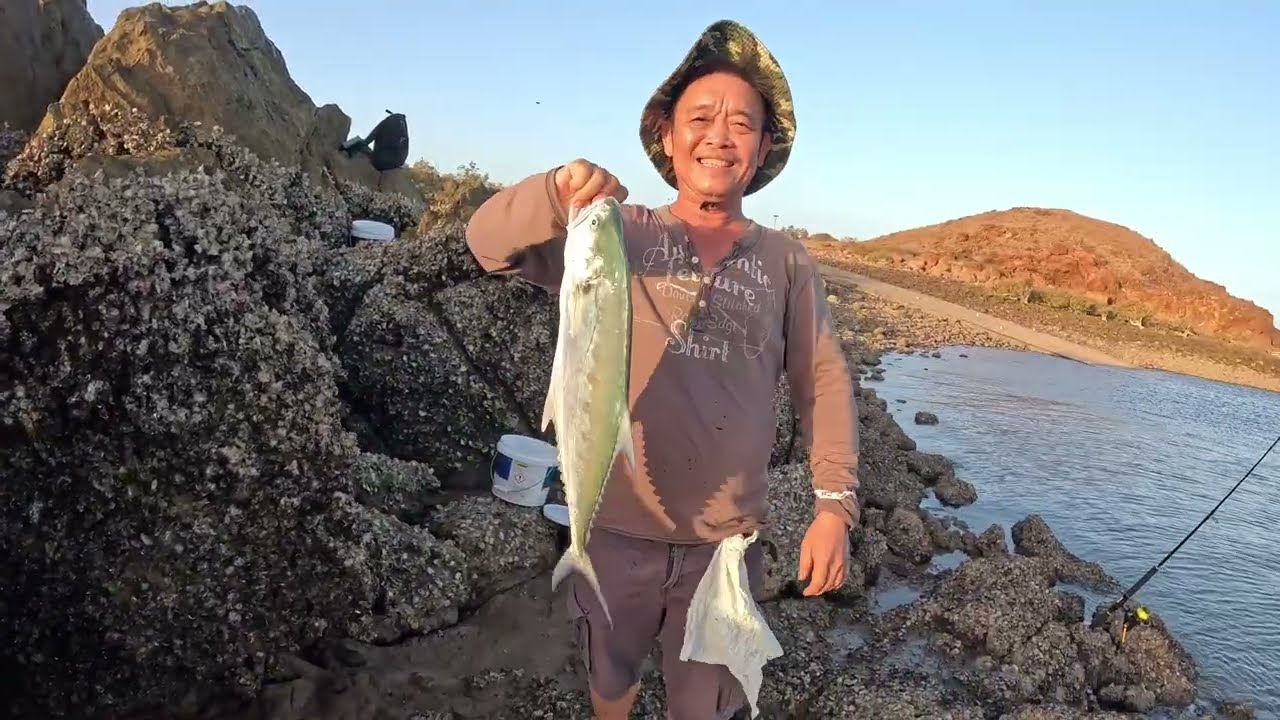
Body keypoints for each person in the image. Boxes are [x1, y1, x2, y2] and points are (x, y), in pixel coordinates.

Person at [464, 19, 860, 720]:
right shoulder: (618, 232)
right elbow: (485, 243)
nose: (719, 135)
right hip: (612, 528)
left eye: (743, 123)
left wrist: (834, 506)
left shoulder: (785, 262)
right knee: (610, 682)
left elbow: (823, 382)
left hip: (726, 550)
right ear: (668, 137)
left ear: (764, 147)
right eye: (700, 118)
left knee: (704, 705)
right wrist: (556, 191)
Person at [340, 109, 410, 171]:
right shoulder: (403, 130)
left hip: (378, 160)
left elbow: (368, 139)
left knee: (361, 143)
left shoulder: (385, 122)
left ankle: (348, 145)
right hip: (397, 161)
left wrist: (349, 147)